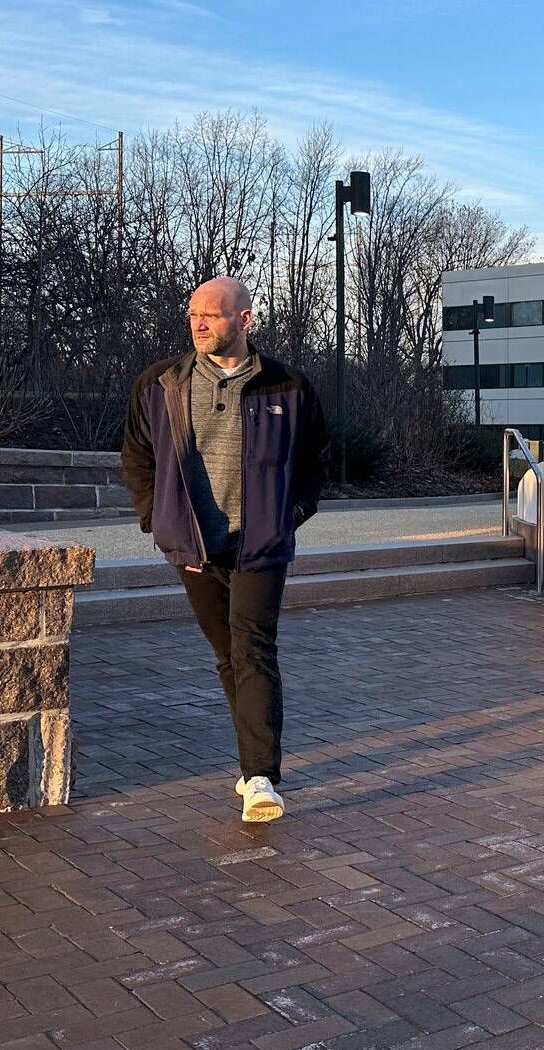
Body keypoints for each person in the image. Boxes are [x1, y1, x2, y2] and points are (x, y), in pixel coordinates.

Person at [121, 276, 329, 822]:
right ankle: (251, 763)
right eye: (194, 313)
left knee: (253, 649)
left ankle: (261, 777)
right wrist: (159, 521)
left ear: (245, 319)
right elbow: (137, 457)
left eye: (213, 314)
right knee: (227, 656)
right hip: (194, 545)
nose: (200, 323)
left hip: (259, 545)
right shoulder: (160, 382)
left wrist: (292, 515)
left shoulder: (286, 385)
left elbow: (314, 461)